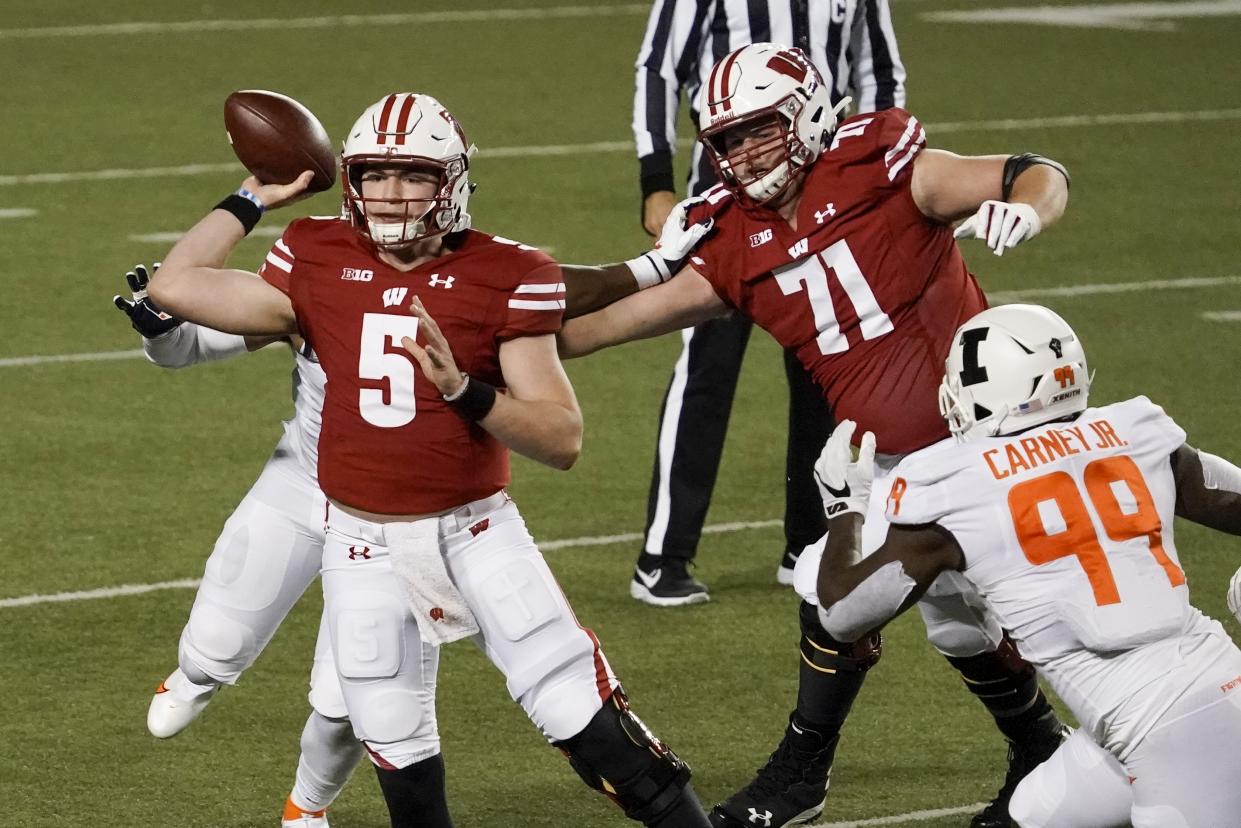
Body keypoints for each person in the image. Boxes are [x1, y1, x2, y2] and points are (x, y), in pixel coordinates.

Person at [147, 92, 713, 828]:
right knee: (394, 742)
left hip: (473, 530)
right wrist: (253, 193)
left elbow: (560, 439)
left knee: (586, 719)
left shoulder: (508, 271)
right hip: (360, 544)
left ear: (452, 181)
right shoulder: (314, 252)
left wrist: (464, 390)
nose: (388, 194)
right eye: (374, 174)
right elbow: (173, 284)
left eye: (412, 175)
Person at [559, 43, 1071, 828]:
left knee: (940, 613)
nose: (741, 152)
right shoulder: (728, 236)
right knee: (942, 618)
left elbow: (1032, 172)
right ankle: (1040, 753)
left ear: (805, 112)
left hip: (989, 444)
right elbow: (604, 324)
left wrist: (1027, 209)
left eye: (758, 129)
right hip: (889, 466)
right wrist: (485, 334)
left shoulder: (882, 163)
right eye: (724, 139)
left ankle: (814, 774)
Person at [811, 303, 1241, 827]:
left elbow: (842, 612)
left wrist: (843, 510)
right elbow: (1228, 497)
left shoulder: (954, 483)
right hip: (1187, 695)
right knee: (1024, 818)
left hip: (1174, 733)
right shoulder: (1136, 431)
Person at [629, 0, 907, 605]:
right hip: (730, 202)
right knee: (706, 371)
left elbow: (879, 72)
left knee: (825, 365)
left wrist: (873, 176)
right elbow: (659, 68)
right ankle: (663, 555)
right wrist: (657, 178)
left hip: (823, 197)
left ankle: (807, 542)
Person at [114, 263, 364, 828]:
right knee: (214, 644)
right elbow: (190, 347)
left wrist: (617, 272)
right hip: (304, 480)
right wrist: (166, 331)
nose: (392, 198)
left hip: (402, 513)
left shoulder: (473, 284)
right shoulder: (324, 270)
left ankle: (306, 806)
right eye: (377, 176)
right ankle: (196, 676)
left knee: (357, 694)